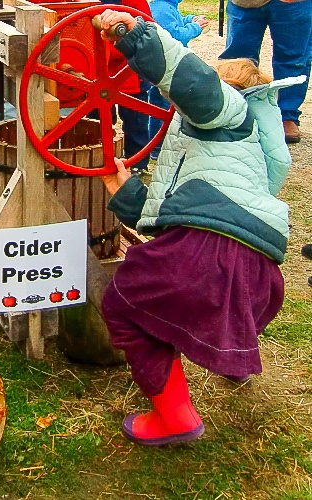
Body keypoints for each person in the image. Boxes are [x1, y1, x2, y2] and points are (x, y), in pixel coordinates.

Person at [96, 9, 304, 446]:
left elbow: (197, 86)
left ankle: (175, 417)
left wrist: (136, 37)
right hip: (261, 271)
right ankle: (236, 360)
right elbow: (182, 214)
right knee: (219, 301)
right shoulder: (244, 154)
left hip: (206, 255)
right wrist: (127, 192)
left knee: (126, 306)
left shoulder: (227, 112)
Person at [218, 0, 312, 144]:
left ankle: (287, 116)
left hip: (294, 4)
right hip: (244, 3)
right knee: (237, 60)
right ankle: (234, 112)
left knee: (294, 59)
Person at [148, 0, 209, 160]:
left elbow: (177, 21)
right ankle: (158, 146)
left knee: (165, 104)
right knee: (160, 107)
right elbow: (175, 36)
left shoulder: (167, 6)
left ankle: (164, 143)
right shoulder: (161, 9)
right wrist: (195, 28)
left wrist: (190, 19)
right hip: (166, 67)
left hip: (168, 65)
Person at [98, 0, 153, 173]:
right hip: (95, 70)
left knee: (136, 122)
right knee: (97, 122)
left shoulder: (133, 1)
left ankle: (137, 164)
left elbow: (148, 28)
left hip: (130, 72)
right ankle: (99, 160)